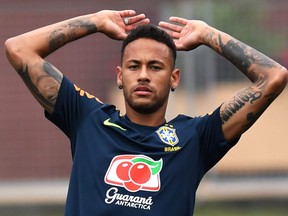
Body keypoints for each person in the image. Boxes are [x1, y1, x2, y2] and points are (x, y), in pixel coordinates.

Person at [5, 9, 288, 216]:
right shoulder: (88, 118)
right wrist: (95, 21)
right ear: (120, 76)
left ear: (174, 78)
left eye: (155, 67)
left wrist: (208, 34)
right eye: (133, 66)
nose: (143, 75)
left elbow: (273, 77)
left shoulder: (195, 138)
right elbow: (18, 48)